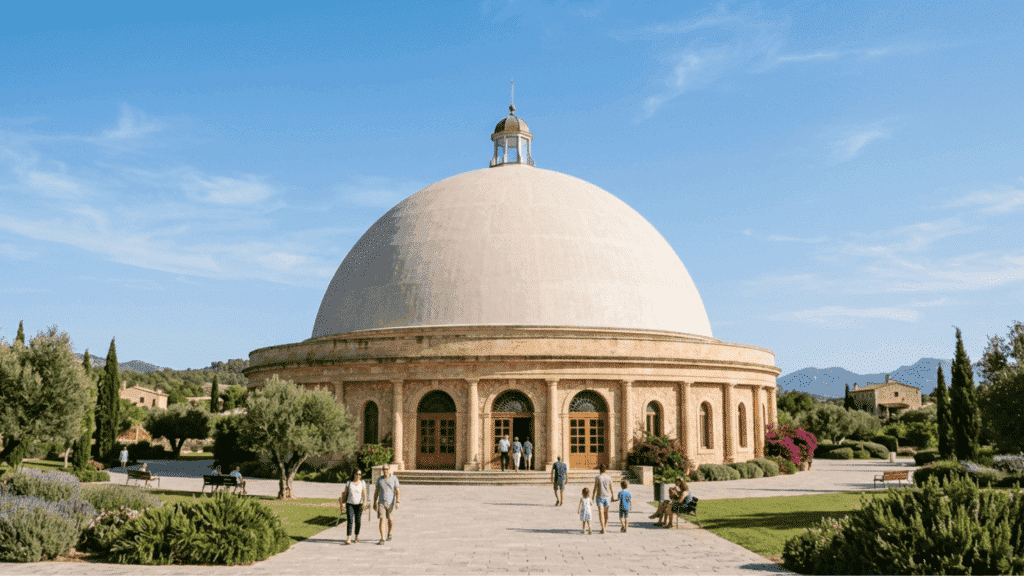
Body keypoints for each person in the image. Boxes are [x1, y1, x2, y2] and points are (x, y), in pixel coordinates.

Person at [373, 464, 401, 545]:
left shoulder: (394, 479)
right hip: (381, 503)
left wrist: (397, 502)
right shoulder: (379, 479)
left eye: (386, 469)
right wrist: (374, 502)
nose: (385, 471)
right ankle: (382, 538)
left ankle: (390, 532)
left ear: (389, 469)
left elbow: (397, 491)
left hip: (390, 503)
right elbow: (376, 491)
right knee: (382, 519)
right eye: (384, 469)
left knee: (390, 519)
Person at [340, 469, 368, 545]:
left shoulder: (362, 483)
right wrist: (343, 503)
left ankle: (356, 536)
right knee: (350, 520)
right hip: (350, 504)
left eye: (360, 474)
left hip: (359, 504)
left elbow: (364, 494)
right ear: (354, 474)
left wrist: (365, 502)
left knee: (358, 521)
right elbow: (345, 494)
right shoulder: (349, 483)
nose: (358, 475)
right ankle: (348, 538)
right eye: (357, 474)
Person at [592, 463, 613, 534]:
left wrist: (592, 496)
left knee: (601, 513)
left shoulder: (598, 477)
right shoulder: (609, 477)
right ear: (605, 470)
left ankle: (603, 527)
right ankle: (605, 526)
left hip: (600, 496)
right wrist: (613, 495)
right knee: (606, 513)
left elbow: (595, 487)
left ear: (599, 470)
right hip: (607, 496)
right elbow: (611, 487)